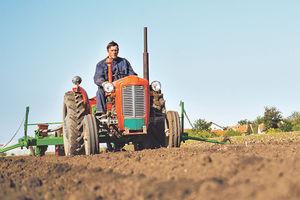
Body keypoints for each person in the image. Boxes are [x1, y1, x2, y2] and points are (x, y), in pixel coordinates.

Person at [94, 41, 137, 115]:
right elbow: (98, 77)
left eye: (116, 50)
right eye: (112, 50)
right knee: (100, 91)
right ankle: (101, 113)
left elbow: (132, 74)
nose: (114, 52)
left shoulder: (124, 62)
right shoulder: (101, 64)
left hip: (124, 87)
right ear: (108, 51)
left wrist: (134, 79)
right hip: (110, 88)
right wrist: (104, 83)